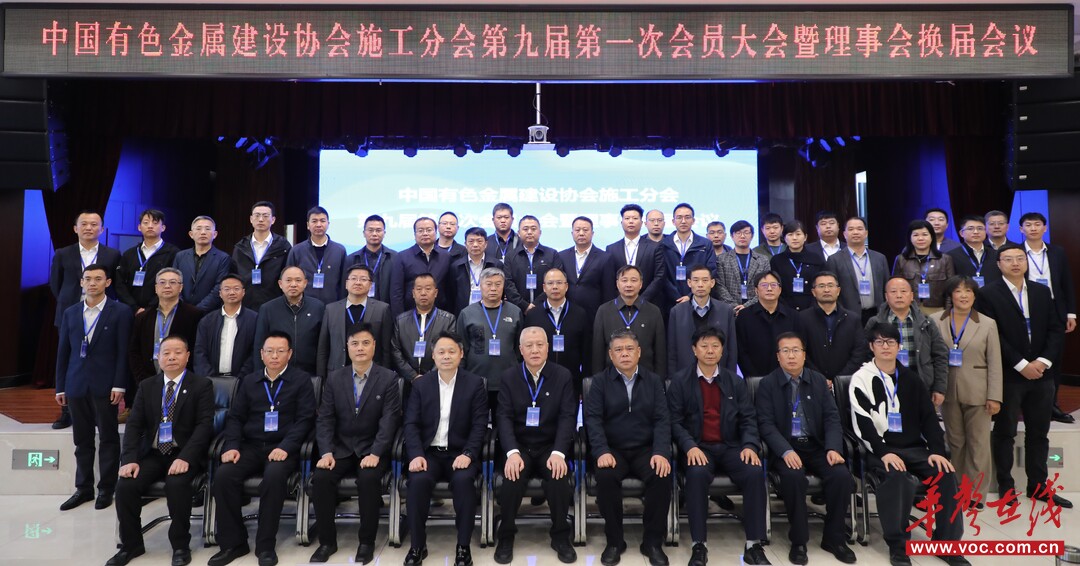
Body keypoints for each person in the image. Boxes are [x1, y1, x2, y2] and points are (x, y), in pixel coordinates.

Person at [849, 323, 968, 566]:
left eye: (890, 342)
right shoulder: (861, 379)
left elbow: (929, 420)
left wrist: (937, 451)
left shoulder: (912, 379)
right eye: (879, 342)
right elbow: (863, 424)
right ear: (871, 346)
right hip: (879, 450)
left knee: (945, 474)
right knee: (898, 476)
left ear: (899, 347)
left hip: (914, 448)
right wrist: (884, 453)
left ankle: (947, 545)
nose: (885, 346)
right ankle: (899, 546)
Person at [209, 332, 316, 566]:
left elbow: (305, 420)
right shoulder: (250, 381)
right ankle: (234, 543)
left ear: (289, 354)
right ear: (261, 354)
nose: (274, 356)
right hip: (251, 446)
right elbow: (236, 418)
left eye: (280, 351)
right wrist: (232, 446)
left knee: (274, 476)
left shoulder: (301, 380)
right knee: (224, 476)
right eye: (269, 351)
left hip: (283, 447)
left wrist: (286, 447)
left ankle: (265, 545)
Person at [978, 243, 1071, 508]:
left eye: (1020, 258)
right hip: (1009, 374)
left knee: (1039, 433)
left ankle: (1038, 486)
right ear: (999, 264)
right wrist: (1021, 364)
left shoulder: (1041, 291)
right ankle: (1006, 487)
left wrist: (1043, 361)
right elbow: (993, 335)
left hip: (1042, 374)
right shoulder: (987, 294)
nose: (1016, 263)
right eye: (1009, 259)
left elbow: (1055, 329)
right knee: (1005, 432)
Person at [108, 336, 214, 566]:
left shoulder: (201, 385)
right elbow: (134, 426)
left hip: (184, 454)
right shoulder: (147, 386)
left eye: (177, 352)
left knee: (176, 484)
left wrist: (186, 458)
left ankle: (180, 546)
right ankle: (131, 545)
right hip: (154, 454)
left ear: (187, 356)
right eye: (166, 353)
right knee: (126, 485)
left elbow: (204, 426)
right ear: (158, 357)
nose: (171, 357)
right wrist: (129, 459)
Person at [668, 327, 769, 566]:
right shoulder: (680, 382)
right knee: (696, 474)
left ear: (722, 351)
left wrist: (749, 445)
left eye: (715, 346)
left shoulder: (734, 381)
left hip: (731, 446)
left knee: (754, 472)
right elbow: (674, 422)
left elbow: (748, 418)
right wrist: (689, 446)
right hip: (698, 447)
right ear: (694, 350)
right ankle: (699, 545)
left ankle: (754, 545)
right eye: (704, 346)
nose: (710, 351)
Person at [756, 333, 856, 565]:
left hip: (817, 445)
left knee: (841, 476)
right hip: (786, 447)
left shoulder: (818, 381)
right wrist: (785, 451)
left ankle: (834, 538)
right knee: (793, 477)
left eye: (796, 350)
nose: (791, 356)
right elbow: (765, 424)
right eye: (785, 351)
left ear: (804, 354)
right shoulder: (768, 384)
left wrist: (833, 448)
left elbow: (832, 418)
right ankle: (799, 541)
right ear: (778, 357)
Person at [308, 325, 402, 565]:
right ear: (347, 348)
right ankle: (327, 542)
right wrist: (326, 452)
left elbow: (389, 420)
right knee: (321, 478)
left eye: (365, 343)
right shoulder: (335, 378)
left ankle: (366, 542)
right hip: (340, 448)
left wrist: (376, 452)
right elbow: (325, 418)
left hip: (372, 449)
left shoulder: (388, 378)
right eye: (355, 343)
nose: (360, 348)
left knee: (369, 479)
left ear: (374, 346)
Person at [585, 329, 672, 566]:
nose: (625, 354)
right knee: (605, 476)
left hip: (646, 449)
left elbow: (662, 419)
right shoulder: (600, 382)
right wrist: (602, 451)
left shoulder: (653, 381)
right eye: (619, 350)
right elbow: (593, 419)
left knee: (661, 474)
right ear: (610, 355)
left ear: (639, 352)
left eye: (629, 349)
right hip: (613, 450)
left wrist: (661, 452)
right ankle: (615, 541)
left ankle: (652, 542)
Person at [402, 332, 488, 566]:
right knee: (418, 481)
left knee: (464, 482)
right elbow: (411, 423)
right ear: (433, 356)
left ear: (461, 354)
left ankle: (463, 547)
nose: (446, 356)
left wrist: (468, 454)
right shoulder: (421, 385)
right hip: (428, 453)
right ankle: (417, 546)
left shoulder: (474, 384)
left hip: (460, 453)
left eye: (452, 351)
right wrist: (416, 455)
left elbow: (480, 425)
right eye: (441, 352)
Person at [493, 328, 577, 565]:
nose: (535, 350)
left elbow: (567, 417)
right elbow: (503, 417)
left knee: (558, 477)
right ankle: (506, 536)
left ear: (548, 348)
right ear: (520, 350)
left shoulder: (562, 375)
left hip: (550, 445)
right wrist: (512, 453)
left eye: (540, 345)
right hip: (520, 445)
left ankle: (560, 536)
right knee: (512, 478)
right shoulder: (509, 377)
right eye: (529, 346)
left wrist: (559, 453)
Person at [56, 263, 133, 511]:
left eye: (98, 279)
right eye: (87, 278)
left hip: (106, 385)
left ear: (107, 283)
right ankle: (84, 488)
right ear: (81, 282)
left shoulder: (120, 311)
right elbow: (63, 352)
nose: (92, 283)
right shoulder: (71, 312)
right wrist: (60, 387)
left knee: (108, 438)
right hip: (76, 384)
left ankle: (106, 488)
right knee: (82, 440)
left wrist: (120, 384)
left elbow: (123, 352)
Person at [49, 210, 121, 429]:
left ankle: (97, 411)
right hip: (71, 314)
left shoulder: (112, 254)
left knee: (98, 358)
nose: (89, 228)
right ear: (75, 228)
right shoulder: (62, 253)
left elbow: (116, 285)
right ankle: (66, 411)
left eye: (94, 224)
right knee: (69, 358)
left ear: (102, 229)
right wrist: (70, 305)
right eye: (84, 224)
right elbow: (55, 284)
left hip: (101, 313)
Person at [934, 276, 1002, 505]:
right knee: (955, 443)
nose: (963, 295)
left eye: (968, 291)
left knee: (978, 444)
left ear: (974, 295)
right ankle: (956, 490)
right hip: (947, 392)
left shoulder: (987, 323)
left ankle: (976, 494)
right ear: (950, 295)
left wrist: (994, 396)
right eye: (958, 291)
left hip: (979, 392)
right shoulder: (935, 320)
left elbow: (995, 362)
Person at [1019, 211, 1077, 423]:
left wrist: (1070, 313)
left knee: (1054, 358)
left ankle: (1052, 405)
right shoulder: (1015, 252)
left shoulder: (1057, 252)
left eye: (1037, 224)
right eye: (1028, 225)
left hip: (1055, 309)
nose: (1033, 228)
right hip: (1026, 308)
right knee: (1028, 355)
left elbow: (1066, 283)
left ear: (1044, 228)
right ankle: (1026, 405)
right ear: (1021, 229)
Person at [864, 277, 949, 408]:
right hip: (885, 386)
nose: (899, 295)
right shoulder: (875, 323)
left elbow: (940, 355)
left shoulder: (926, 322)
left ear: (911, 296)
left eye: (903, 291)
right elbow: (866, 355)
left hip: (920, 385)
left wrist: (939, 388)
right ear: (886, 296)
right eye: (893, 291)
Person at [128, 268, 202, 408]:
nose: (167, 286)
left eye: (173, 282)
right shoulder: (142, 317)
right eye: (162, 282)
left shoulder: (194, 315)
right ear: (156, 288)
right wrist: (143, 380)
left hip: (182, 381)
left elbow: (196, 350)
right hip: (148, 381)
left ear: (181, 287)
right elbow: (134, 351)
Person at [457, 267, 523, 409]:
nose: (493, 288)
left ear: (503, 286)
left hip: (508, 380)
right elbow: (462, 349)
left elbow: (519, 348)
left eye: (498, 284)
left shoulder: (515, 312)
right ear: (480, 286)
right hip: (476, 379)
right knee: (477, 419)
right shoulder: (467, 314)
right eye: (488, 284)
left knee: (504, 419)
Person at [316, 264, 394, 376]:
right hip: (337, 372)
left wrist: (385, 376)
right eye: (353, 278)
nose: (358, 282)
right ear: (346, 284)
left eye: (363, 279)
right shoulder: (331, 309)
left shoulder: (382, 309)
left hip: (372, 374)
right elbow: (323, 348)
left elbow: (386, 349)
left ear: (370, 285)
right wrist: (321, 377)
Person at [523, 268, 592, 390]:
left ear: (566, 286)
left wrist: (584, 382)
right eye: (550, 283)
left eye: (559, 283)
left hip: (572, 380)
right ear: (544, 287)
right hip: (539, 381)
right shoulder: (533, 315)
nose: (555, 287)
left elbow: (587, 352)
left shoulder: (580, 314)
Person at [592, 265, 666, 374]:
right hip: (611, 377)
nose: (629, 284)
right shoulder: (604, 311)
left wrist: (659, 381)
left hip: (646, 377)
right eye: (624, 280)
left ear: (641, 284)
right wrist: (598, 379)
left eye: (634, 280)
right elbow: (597, 351)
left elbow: (660, 352)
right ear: (617, 284)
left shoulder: (653, 311)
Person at [667, 264, 738, 376]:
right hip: (685, 376)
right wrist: (673, 378)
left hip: (719, 374)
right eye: (696, 280)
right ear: (689, 283)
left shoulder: (726, 310)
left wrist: (730, 377)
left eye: (705, 280)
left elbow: (731, 348)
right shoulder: (677, 312)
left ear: (712, 283)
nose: (700, 284)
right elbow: (672, 350)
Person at [253, 266, 325, 375]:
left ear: (305, 283)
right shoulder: (268, 309)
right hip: (276, 372)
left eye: (298, 280)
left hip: (309, 373)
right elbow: (259, 345)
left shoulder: (318, 307)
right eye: (288, 280)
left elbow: (323, 345)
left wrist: (321, 375)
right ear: (280, 284)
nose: (293, 284)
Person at [798, 271, 867, 384]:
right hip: (812, 382)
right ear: (813, 292)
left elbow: (859, 352)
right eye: (821, 286)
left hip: (846, 382)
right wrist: (819, 378)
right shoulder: (802, 318)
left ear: (838, 290)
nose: (826, 290)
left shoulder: (852, 319)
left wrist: (839, 380)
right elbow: (801, 352)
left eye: (830, 285)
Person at [390, 273, 457, 382]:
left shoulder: (448, 320)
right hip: (408, 381)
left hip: (437, 380)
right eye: (419, 289)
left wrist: (429, 377)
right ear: (413, 293)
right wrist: (412, 376)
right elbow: (395, 351)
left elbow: (449, 350)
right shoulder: (401, 321)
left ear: (435, 293)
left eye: (428, 289)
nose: (423, 293)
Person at [115, 209, 180, 313]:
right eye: (146, 222)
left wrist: (150, 308)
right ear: (139, 227)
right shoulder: (129, 254)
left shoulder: (173, 253)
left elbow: (174, 284)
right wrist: (134, 307)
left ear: (163, 228)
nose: (150, 226)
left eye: (155, 223)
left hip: (160, 310)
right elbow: (119, 283)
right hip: (131, 311)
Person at [826, 216, 889, 325]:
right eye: (851, 229)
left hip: (877, 314)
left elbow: (886, 288)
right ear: (844, 234)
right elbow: (832, 291)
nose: (855, 232)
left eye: (859, 229)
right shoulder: (834, 260)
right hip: (847, 316)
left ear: (866, 233)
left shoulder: (880, 258)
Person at [736, 271, 799, 378]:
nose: (769, 289)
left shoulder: (793, 316)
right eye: (764, 285)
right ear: (756, 290)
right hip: (754, 378)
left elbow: (799, 348)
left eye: (773, 285)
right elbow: (741, 351)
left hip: (787, 377)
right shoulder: (744, 316)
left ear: (780, 289)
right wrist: (753, 376)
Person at [449, 226, 523, 316]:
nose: (475, 245)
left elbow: (502, 290)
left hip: (490, 312)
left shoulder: (496, 265)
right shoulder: (456, 266)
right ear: (465, 244)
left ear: (486, 244)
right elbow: (452, 293)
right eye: (471, 241)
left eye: (479, 241)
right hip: (464, 312)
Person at [194, 274, 257, 377]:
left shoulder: (254, 319)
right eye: (227, 289)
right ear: (220, 293)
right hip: (211, 380)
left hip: (243, 380)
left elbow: (255, 352)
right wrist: (209, 379)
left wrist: (242, 378)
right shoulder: (207, 321)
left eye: (236, 289)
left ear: (243, 292)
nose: (232, 292)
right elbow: (200, 352)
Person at [232, 201, 292, 310]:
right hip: (246, 305)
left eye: (265, 216)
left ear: (273, 220)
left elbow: (288, 275)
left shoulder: (283, 246)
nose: (260, 219)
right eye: (257, 215)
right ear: (251, 219)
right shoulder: (240, 247)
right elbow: (234, 276)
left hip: (274, 304)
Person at [606, 204, 668, 308]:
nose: (631, 221)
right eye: (627, 218)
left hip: (649, 303)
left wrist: (641, 300)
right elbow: (609, 278)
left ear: (642, 223)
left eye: (635, 218)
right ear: (621, 222)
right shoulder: (611, 249)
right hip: (620, 305)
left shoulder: (655, 247)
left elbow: (659, 276)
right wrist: (622, 299)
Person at [660, 203, 717, 315]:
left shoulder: (705, 244)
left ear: (693, 220)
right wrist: (676, 297)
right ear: (673, 221)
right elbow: (661, 275)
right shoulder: (663, 244)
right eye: (679, 217)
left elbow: (711, 271)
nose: (683, 221)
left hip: (699, 299)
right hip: (669, 301)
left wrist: (690, 296)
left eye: (687, 217)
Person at [390, 217, 453, 316]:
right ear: (414, 234)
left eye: (429, 230)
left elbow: (450, 289)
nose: (425, 233)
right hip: (410, 315)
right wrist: (399, 319)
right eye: (420, 231)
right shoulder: (402, 257)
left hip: (440, 315)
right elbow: (396, 292)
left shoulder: (446, 256)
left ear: (436, 232)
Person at [286, 206, 348, 305]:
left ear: (328, 224)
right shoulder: (297, 250)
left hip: (332, 305)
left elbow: (344, 282)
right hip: (304, 305)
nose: (318, 224)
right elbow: (289, 279)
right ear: (308, 225)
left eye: (322, 221)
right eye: (314, 221)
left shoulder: (339, 250)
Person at [892, 219, 956, 314]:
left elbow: (951, 289)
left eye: (925, 234)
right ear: (910, 238)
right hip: (909, 308)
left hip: (937, 309)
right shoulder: (901, 259)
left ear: (932, 237)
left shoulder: (945, 259)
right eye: (916, 235)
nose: (920, 238)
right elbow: (894, 287)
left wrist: (948, 311)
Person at [172, 215, 235, 312]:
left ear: (215, 234)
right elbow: (174, 282)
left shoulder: (223, 258)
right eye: (198, 229)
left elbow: (220, 287)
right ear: (191, 234)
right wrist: (183, 307)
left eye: (207, 229)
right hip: (181, 311)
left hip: (210, 313)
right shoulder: (180, 256)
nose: (203, 232)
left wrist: (197, 310)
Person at [558, 216, 616, 317]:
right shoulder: (562, 256)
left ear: (592, 233)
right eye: (577, 230)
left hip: (594, 314)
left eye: (585, 230)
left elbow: (608, 291)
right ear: (572, 233)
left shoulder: (605, 258)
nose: (581, 233)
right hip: (566, 313)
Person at [503, 215, 563, 310]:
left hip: (545, 308)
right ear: (519, 233)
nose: (529, 232)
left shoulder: (552, 254)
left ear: (540, 232)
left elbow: (556, 282)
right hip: (517, 309)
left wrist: (537, 304)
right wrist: (524, 305)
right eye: (525, 229)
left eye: (533, 229)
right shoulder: (510, 256)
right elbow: (508, 284)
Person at [713, 220, 770, 314]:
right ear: (732, 236)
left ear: (752, 236)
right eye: (738, 233)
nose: (742, 236)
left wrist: (747, 306)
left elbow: (765, 286)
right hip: (729, 310)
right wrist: (734, 306)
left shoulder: (763, 260)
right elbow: (719, 286)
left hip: (756, 309)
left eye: (746, 232)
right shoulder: (721, 259)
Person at [770, 220, 825, 312]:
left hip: (812, 309)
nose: (794, 238)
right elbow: (775, 287)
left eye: (798, 234)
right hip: (784, 309)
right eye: (790, 235)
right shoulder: (777, 260)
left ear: (805, 237)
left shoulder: (816, 259)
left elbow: (821, 285)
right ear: (784, 238)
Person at [346, 215, 396, 305]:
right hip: (359, 307)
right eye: (370, 230)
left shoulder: (395, 258)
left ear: (384, 233)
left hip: (386, 307)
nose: (374, 234)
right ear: (364, 233)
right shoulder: (352, 258)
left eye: (378, 230)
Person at [947, 215, 1001, 288]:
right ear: (961, 233)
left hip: (991, 293)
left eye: (980, 228)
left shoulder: (996, 254)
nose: (976, 232)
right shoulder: (951, 255)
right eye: (970, 228)